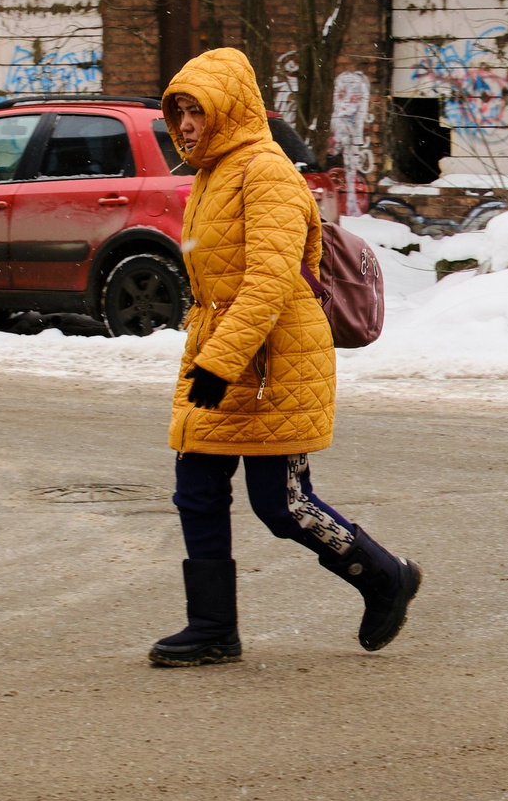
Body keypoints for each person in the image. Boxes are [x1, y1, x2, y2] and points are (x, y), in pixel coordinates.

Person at [147, 47, 423, 667]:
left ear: (232, 108)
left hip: (275, 361)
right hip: (223, 352)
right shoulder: (211, 173)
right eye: (180, 112)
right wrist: (212, 353)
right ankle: (213, 627)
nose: (186, 125)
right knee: (196, 488)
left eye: (198, 110)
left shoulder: (266, 172)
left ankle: (384, 577)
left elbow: (269, 281)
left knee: (281, 505)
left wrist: (223, 359)